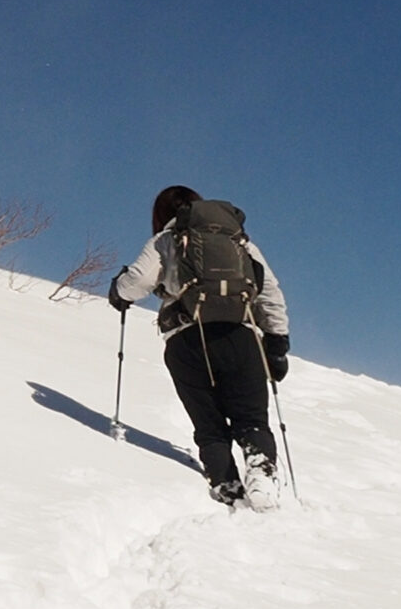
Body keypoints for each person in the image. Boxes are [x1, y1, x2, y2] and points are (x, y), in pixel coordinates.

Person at [108, 184, 291, 505]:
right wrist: (276, 342)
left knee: (209, 424)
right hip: (240, 334)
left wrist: (117, 291)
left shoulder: (166, 239)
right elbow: (270, 290)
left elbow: (136, 282)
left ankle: (227, 487)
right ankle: (261, 472)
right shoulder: (239, 241)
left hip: (186, 341)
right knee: (251, 418)